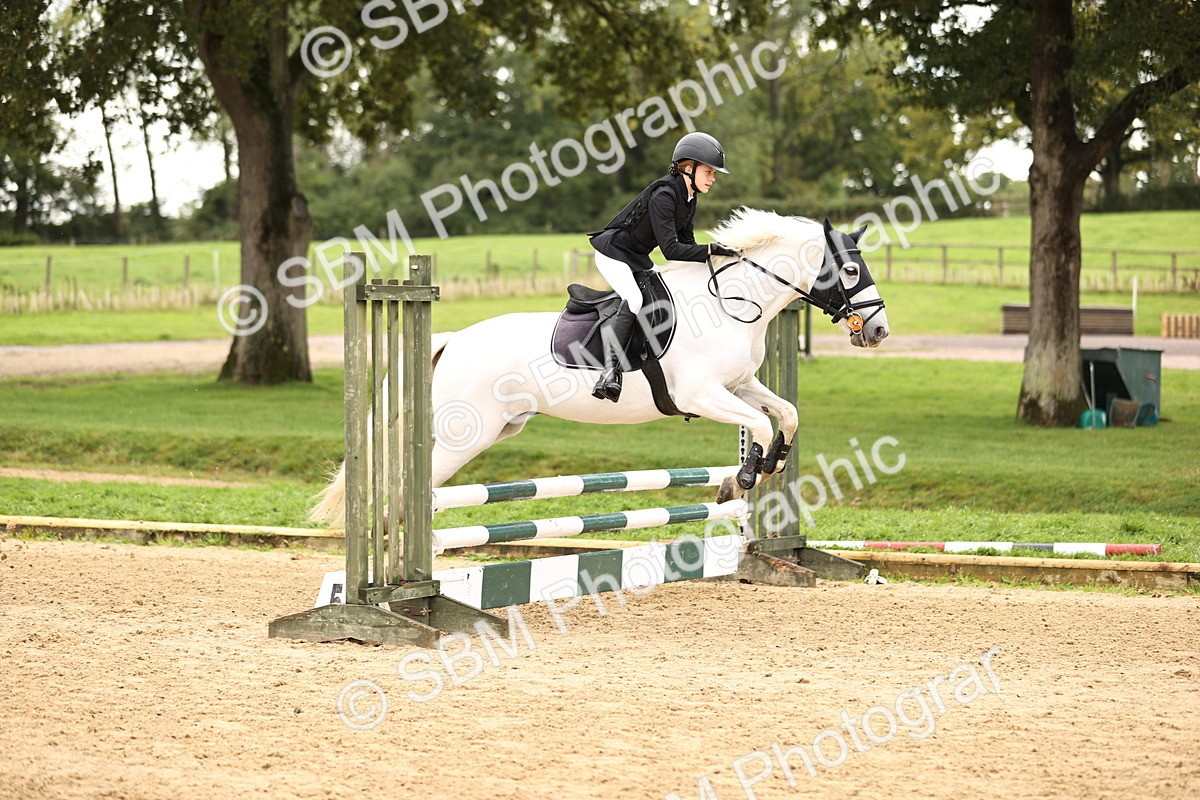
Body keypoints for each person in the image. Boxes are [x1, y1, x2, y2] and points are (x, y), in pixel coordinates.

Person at [587, 131, 740, 402]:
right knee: (634, 299)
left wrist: (713, 258)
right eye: (709, 171)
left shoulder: (689, 197)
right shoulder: (664, 195)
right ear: (688, 168)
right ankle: (609, 373)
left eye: (714, 173)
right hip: (613, 253)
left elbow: (687, 244)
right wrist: (711, 250)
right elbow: (671, 250)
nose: (713, 178)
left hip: (636, 256)